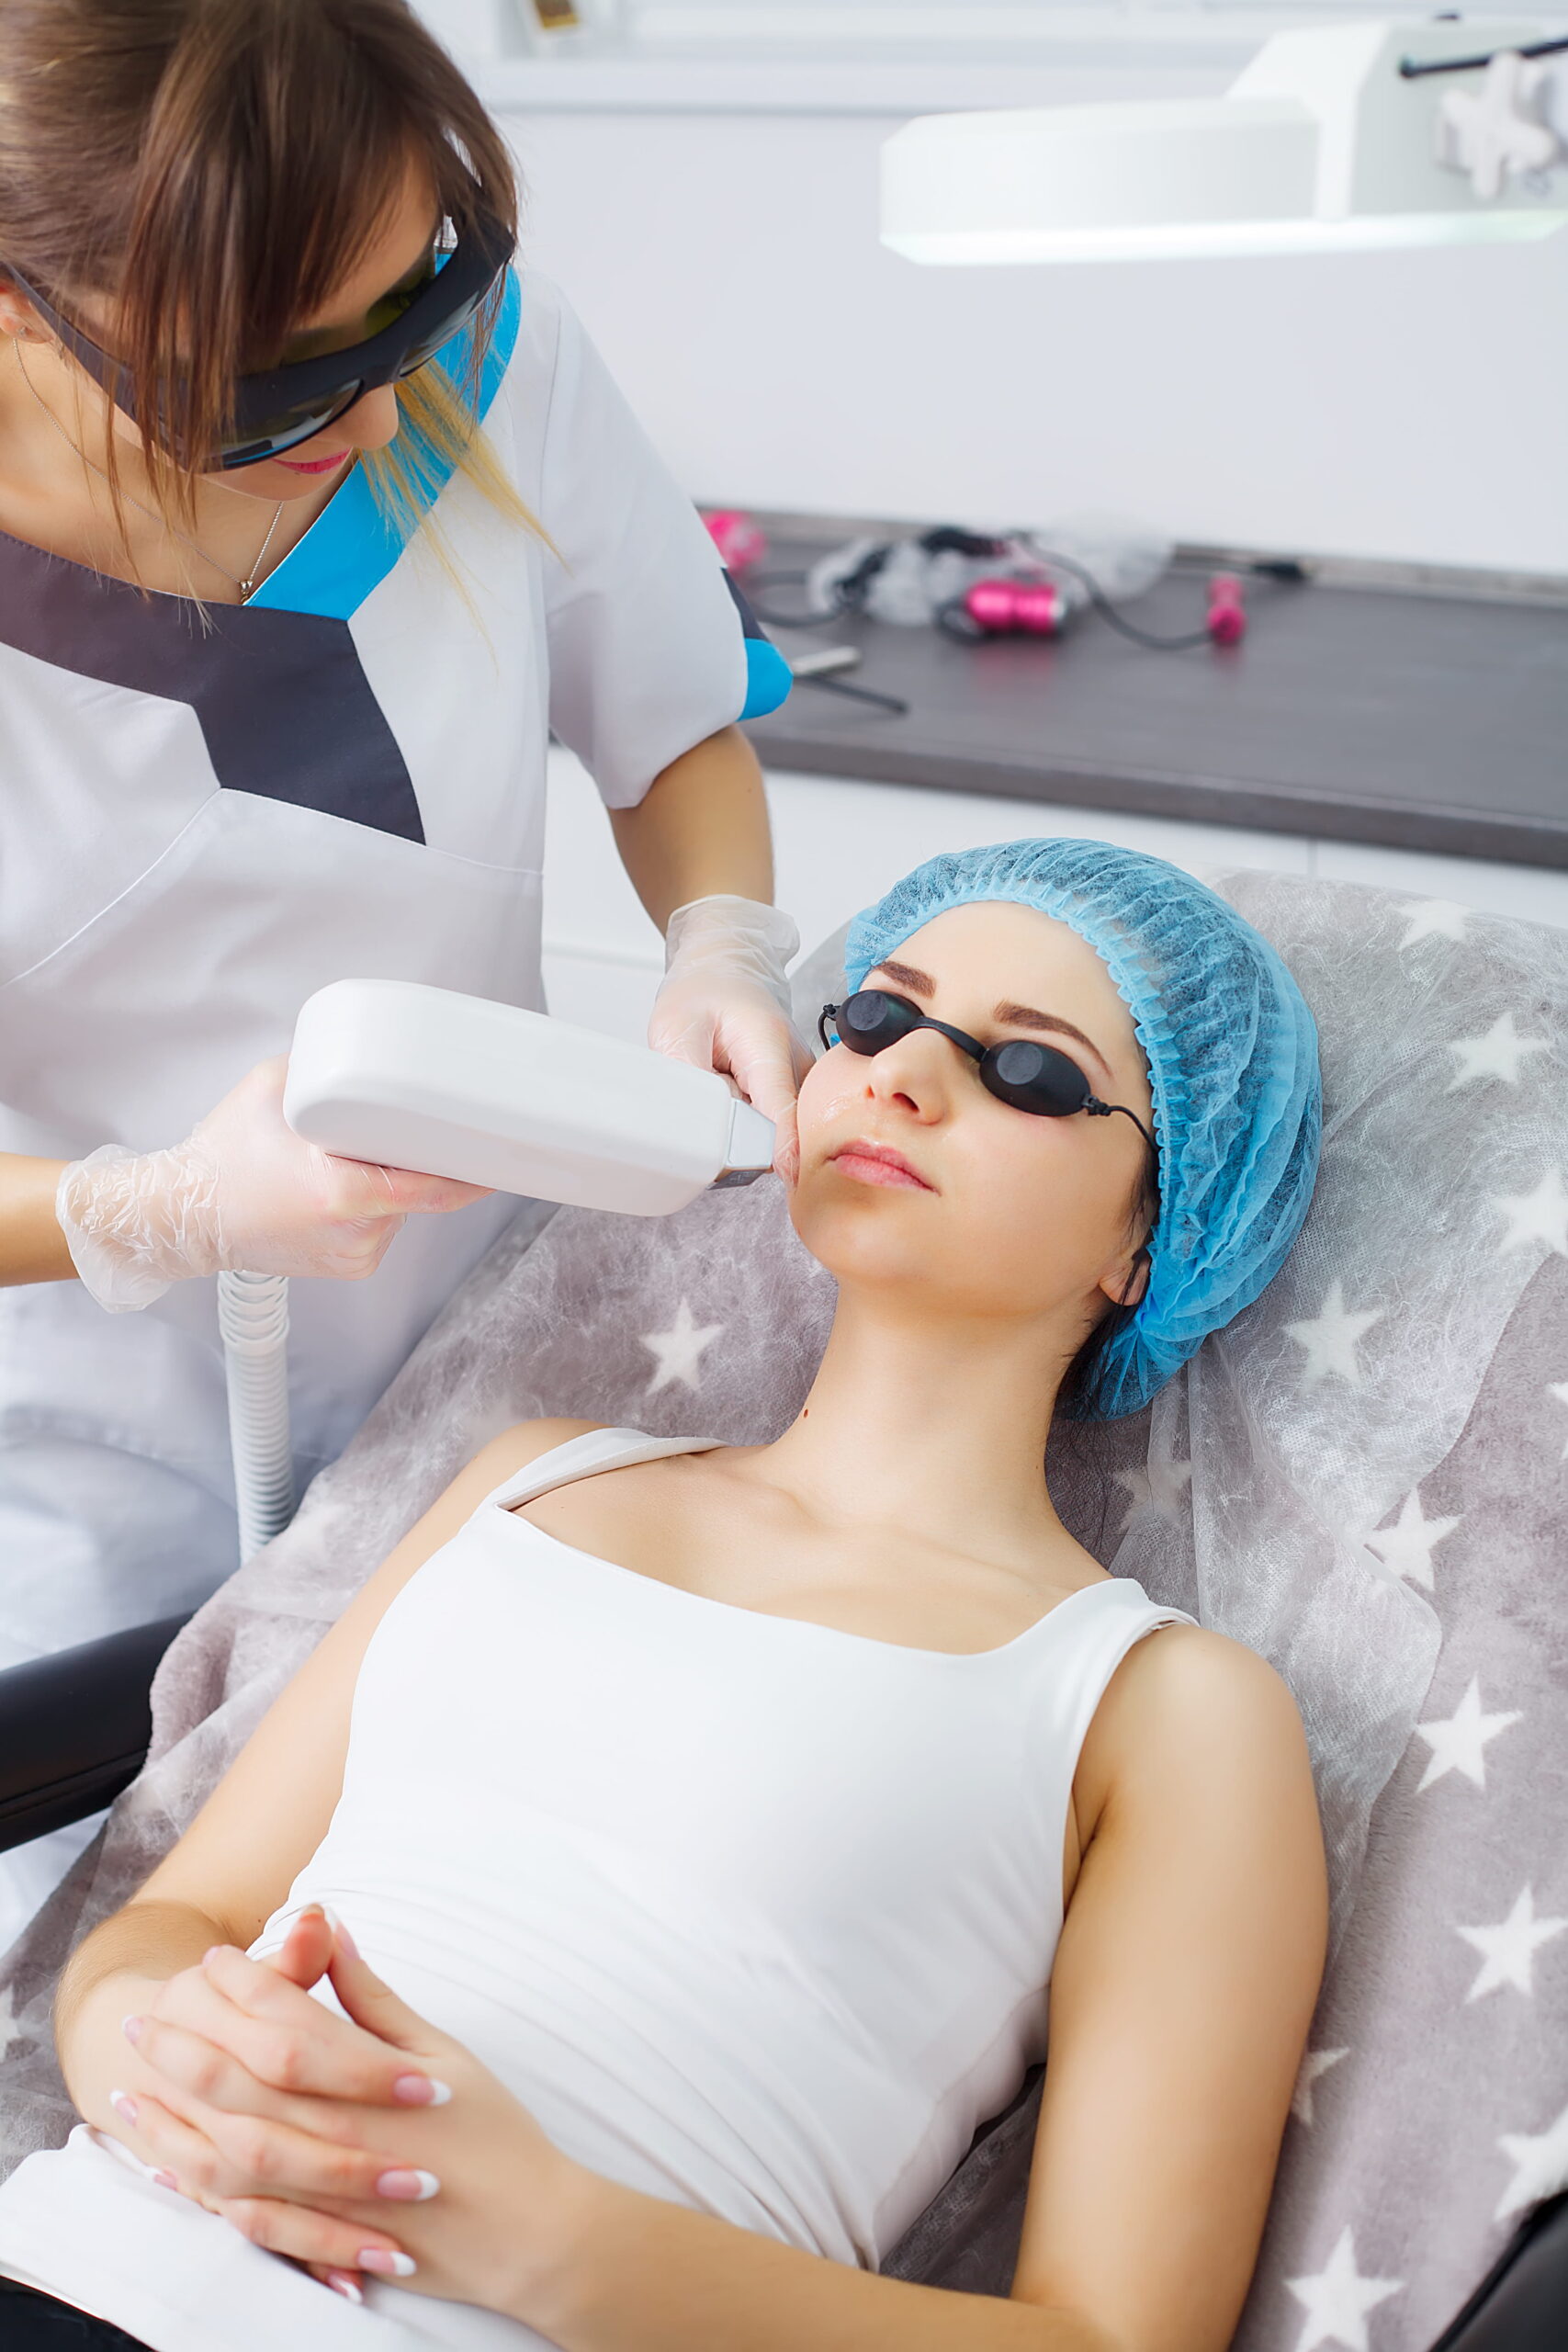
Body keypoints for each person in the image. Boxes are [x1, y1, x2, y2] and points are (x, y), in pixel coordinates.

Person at [0, 840, 1328, 2352]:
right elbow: (178, 1923)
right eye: (879, 1017)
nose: (902, 1077)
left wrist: (540, 2236)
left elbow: (1116, 2338)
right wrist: (156, 2058)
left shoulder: (1161, 1709)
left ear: (1153, 1237)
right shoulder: (534, 1478)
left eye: (1031, 1070)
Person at [0, 0, 808, 1939]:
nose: (377, 421)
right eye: (275, 383)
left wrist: (720, 940)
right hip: (65, 1469)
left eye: (410, 305)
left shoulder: (482, 364)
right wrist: (154, 1206)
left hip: (488, 1369)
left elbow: (673, 726)